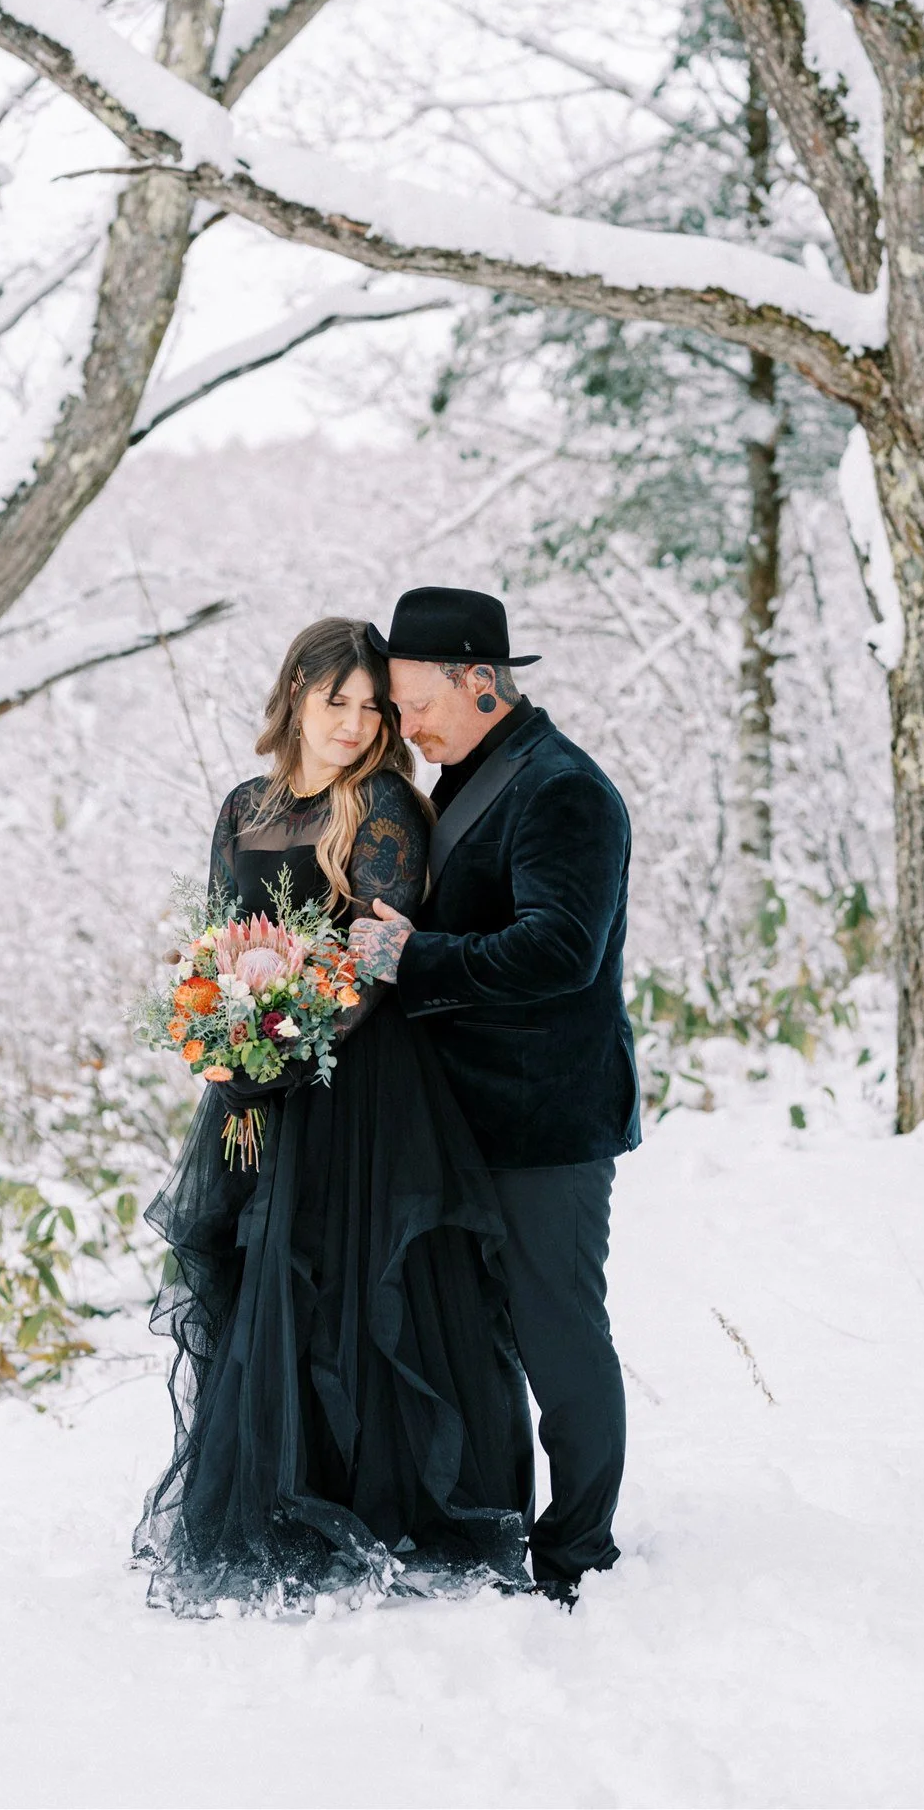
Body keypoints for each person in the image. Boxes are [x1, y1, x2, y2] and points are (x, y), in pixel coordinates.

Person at [133, 617, 532, 1617]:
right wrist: (224, 1040)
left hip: (361, 1082)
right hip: (261, 1079)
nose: (355, 723)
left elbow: (375, 955)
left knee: (355, 1285)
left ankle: (386, 1501)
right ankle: (279, 1491)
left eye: (371, 706)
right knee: (270, 1281)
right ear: (296, 696)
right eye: (335, 701)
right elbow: (230, 934)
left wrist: (289, 1040)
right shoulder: (245, 805)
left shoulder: (384, 805)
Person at [350, 586, 640, 1606]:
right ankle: (499, 1520)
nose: (404, 722)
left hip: (543, 1122)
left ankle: (581, 1551)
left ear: (480, 679)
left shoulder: (563, 788)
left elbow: (562, 950)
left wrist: (408, 955)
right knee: (489, 1340)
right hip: (467, 1119)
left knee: (560, 1336)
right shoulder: (473, 774)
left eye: (415, 698)